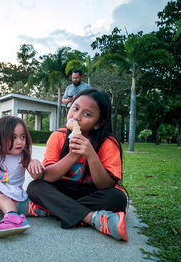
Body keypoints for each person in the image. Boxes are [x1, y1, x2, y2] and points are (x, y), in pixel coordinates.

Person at [27, 89, 128, 241]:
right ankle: (91, 217)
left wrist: (91, 155)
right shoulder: (58, 136)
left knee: (118, 198)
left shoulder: (108, 143)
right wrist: (73, 155)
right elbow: (48, 176)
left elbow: (105, 185)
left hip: (92, 191)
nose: (77, 116)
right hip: (63, 188)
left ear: (98, 123)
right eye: (75, 108)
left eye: (87, 114)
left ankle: (50, 209)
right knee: (35, 187)